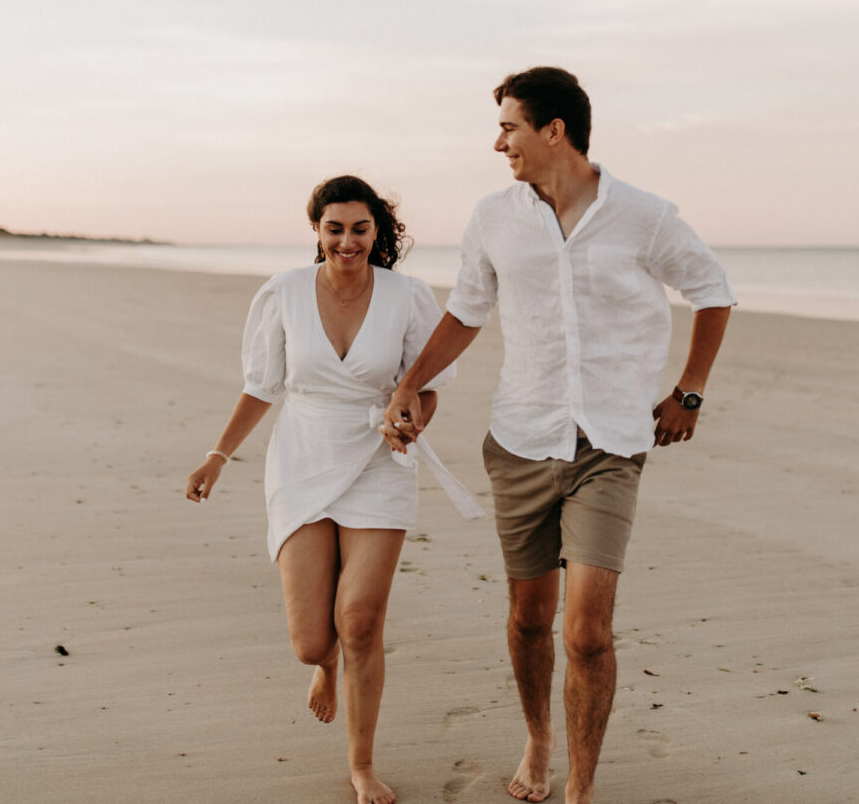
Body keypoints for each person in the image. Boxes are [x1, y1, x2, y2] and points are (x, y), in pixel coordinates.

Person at [383, 68, 735, 804]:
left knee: (587, 633)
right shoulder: (494, 217)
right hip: (519, 438)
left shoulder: (645, 215)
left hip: (610, 444)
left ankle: (580, 787)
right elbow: (467, 313)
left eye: (508, 127)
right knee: (528, 618)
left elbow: (712, 289)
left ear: (554, 131)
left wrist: (690, 391)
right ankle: (538, 738)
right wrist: (411, 383)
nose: (497, 142)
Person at [187, 174, 481, 804]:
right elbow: (262, 385)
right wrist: (218, 456)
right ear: (317, 231)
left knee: (361, 621)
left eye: (360, 228)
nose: (347, 241)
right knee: (312, 641)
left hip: (380, 457)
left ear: (378, 232)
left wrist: (411, 417)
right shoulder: (284, 292)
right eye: (334, 228)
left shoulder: (407, 296)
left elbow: (426, 385)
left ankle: (362, 763)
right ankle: (325, 668)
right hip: (302, 458)